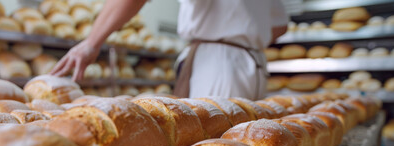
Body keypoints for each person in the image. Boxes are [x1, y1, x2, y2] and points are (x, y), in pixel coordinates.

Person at [51, 0, 288, 100]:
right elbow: (280, 26)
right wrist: (245, 36)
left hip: (217, 65)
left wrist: (92, 42)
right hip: (254, 64)